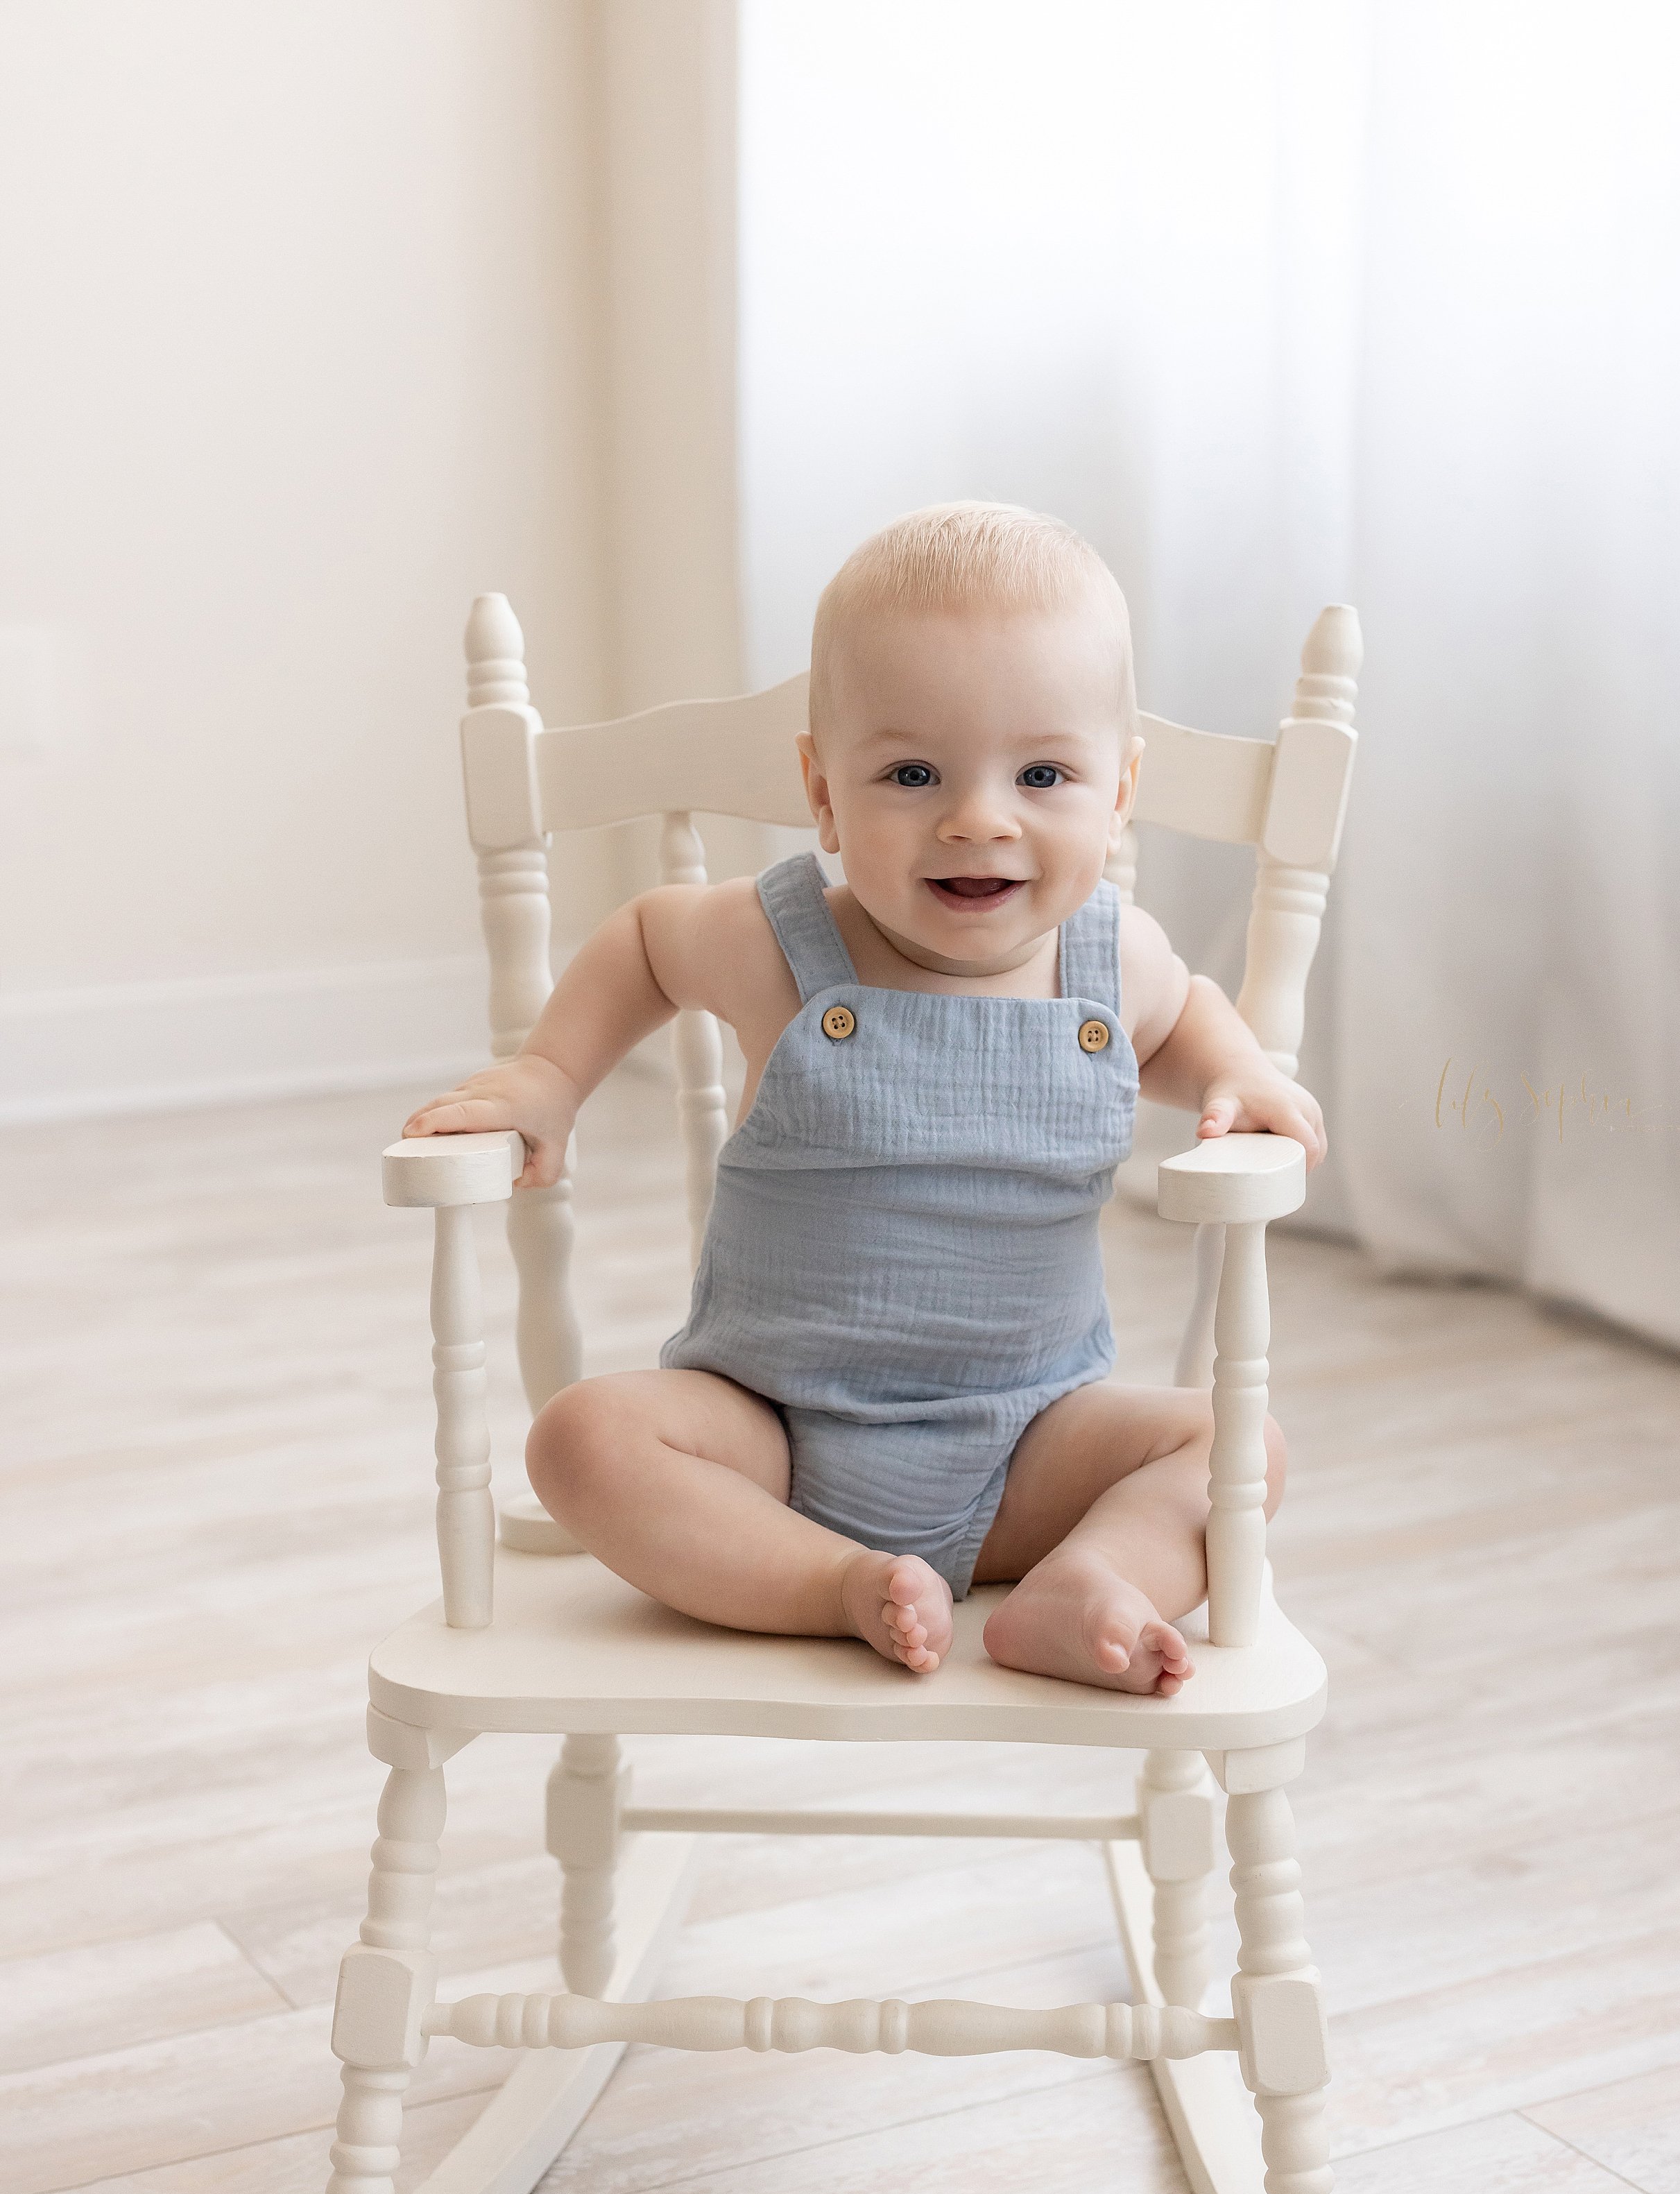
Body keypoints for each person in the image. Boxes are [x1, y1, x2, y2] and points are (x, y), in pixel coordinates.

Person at [404, 504, 1323, 1694]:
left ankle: (1083, 1580)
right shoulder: (777, 943)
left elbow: (1188, 1016)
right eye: (910, 773)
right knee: (582, 1439)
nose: (977, 816)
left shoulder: (1119, 965)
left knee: (1236, 1449)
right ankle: (825, 1584)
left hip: (1033, 1446)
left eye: (1043, 773)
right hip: (772, 1440)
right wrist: (548, 1077)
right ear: (823, 793)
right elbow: (642, 943)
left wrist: (1238, 1073)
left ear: (1120, 791)